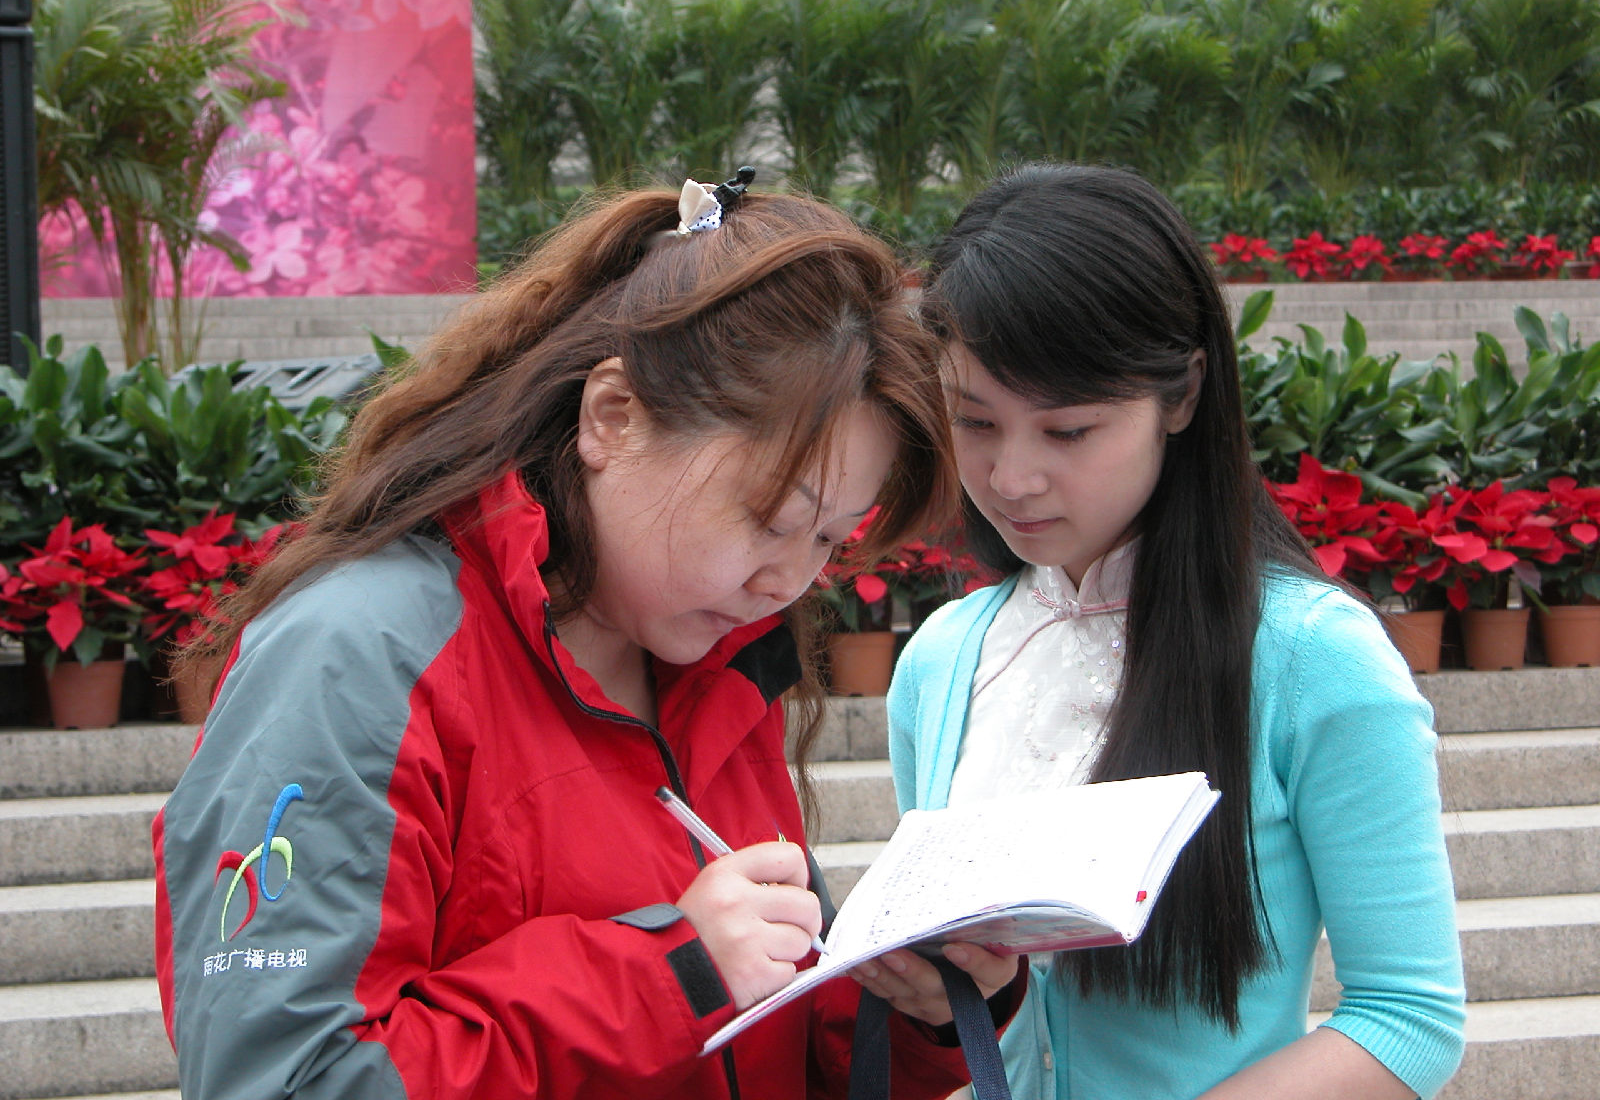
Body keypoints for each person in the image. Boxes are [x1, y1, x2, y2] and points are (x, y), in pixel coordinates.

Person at [153, 175, 1021, 1100]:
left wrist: (917, 1009)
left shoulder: (717, 661)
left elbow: (764, 1047)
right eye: (770, 517)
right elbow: (285, 1076)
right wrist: (671, 976)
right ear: (612, 417)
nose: (788, 580)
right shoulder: (355, 657)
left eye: (828, 540)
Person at [887, 162, 1466, 1099]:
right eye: (975, 422)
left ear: (1184, 394)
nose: (1011, 477)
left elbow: (1410, 1017)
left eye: (1069, 431)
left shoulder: (1310, 658)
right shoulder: (941, 663)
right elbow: (976, 1010)